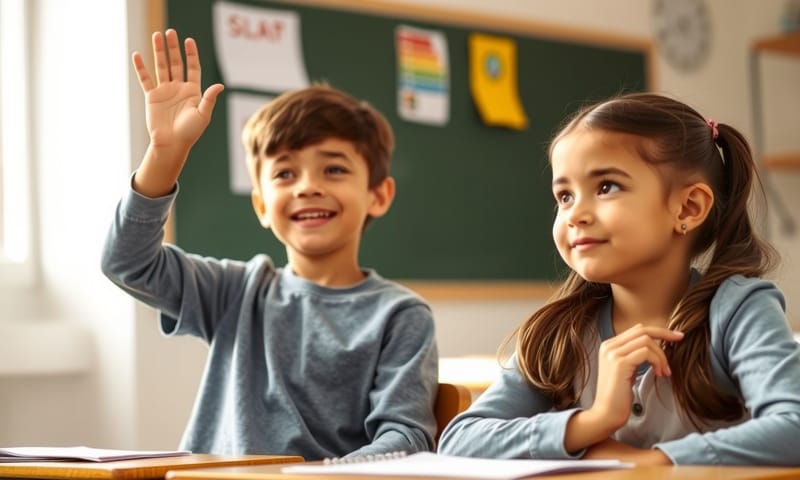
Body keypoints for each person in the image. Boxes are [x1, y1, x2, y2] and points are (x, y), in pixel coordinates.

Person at [101, 29, 438, 460]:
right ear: (261, 205)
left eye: (334, 169)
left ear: (379, 195)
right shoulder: (235, 291)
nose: (307, 187)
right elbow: (126, 262)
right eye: (284, 174)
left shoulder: (399, 316)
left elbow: (405, 439)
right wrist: (165, 156)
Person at [437, 92, 800, 465]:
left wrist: (654, 461)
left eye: (606, 187)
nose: (575, 214)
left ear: (688, 207)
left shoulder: (739, 310)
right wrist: (593, 422)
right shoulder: (558, 333)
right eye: (564, 196)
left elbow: (794, 426)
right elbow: (461, 440)